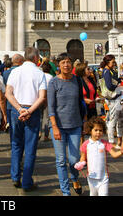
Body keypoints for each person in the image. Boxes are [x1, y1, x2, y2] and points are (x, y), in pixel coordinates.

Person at [5, 46, 47, 191]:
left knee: (16, 144)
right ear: (36, 58)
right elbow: (42, 97)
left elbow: (8, 93)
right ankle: (27, 182)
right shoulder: (39, 73)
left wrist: (19, 109)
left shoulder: (15, 71)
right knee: (30, 148)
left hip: (16, 111)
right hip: (32, 111)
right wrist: (28, 111)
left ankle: (15, 177)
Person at [47, 52, 86, 196]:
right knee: (61, 160)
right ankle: (65, 191)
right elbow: (51, 107)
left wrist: (84, 122)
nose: (66, 65)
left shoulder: (77, 80)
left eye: (68, 62)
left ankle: (75, 178)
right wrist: (54, 126)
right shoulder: (53, 82)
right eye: (63, 62)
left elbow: (81, 102)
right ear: (58, 65)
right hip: (58, 126)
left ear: (72, 64)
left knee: (74, 159)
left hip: (75, 124)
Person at [75, 116, 123, 196]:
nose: (98, 132)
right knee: (93, 194)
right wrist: (80, 164)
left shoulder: (104, 143)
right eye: (96, 130)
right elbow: (83, 157)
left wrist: (121, 152)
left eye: (100, 130)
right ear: (90, 131)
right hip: (91, 177)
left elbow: (114, 154)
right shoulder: (86, 144)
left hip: (104, 177)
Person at [101, 54, 123, 148]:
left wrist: (118, 80)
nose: (114, 64)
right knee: (113, 121)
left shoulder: (108, 71)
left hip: (114, 99)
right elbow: (109, 86)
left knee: (118, 120)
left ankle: (117, 141)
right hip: (112, 99)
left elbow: (112, 82)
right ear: (108, 62)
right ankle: (111, 142)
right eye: (113, 62)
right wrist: (117, 86)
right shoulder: (106, 72)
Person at [3, 54, 24, 143]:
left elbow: (5, 87)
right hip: (22, 101)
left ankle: (14, 142)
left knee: (13, 127)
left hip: (10, 102)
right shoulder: (23, 71)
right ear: (20, 61)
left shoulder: (6, 73)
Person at [40, 60, 53, 141]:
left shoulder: (40, 76)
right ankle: (46, 135)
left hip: (39, 98)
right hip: (47, 98)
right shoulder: (51, 77)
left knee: (40, 117)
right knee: (47, 117)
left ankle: (39, 132)